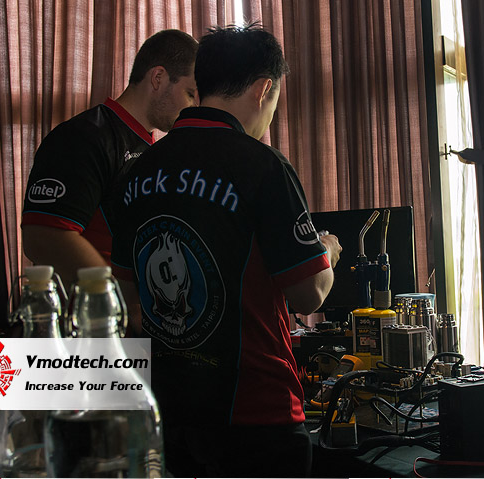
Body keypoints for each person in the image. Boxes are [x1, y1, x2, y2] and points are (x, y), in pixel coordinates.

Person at [111, 24, 342, 477]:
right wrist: (326, 252)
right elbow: (308, 294)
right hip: (256, 417)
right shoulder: (263, 166)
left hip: (169, 412)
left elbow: (127, 293)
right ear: (264, 89)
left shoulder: (139, 170)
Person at [21, 29, 199, 285]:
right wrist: (115, 298)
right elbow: (43, 236)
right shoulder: (84, 137)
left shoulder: (152, 148)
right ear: (158, 78)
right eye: (190, 94)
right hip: (94, 307)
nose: (193, 107)